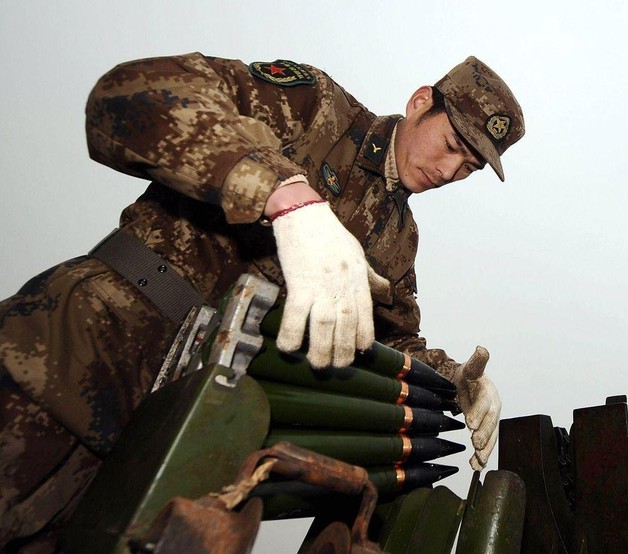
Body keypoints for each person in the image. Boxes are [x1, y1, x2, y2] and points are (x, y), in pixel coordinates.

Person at [0, 52, 524, 548]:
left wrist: (454, 382)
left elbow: (388, 342)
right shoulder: (314, 109)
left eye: (470, 167)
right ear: (418, 103)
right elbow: (131, 93)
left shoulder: (398, 239)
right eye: (452, 143)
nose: (451, 169)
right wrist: (286, 197)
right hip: (79, 352)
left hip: (183, 432)